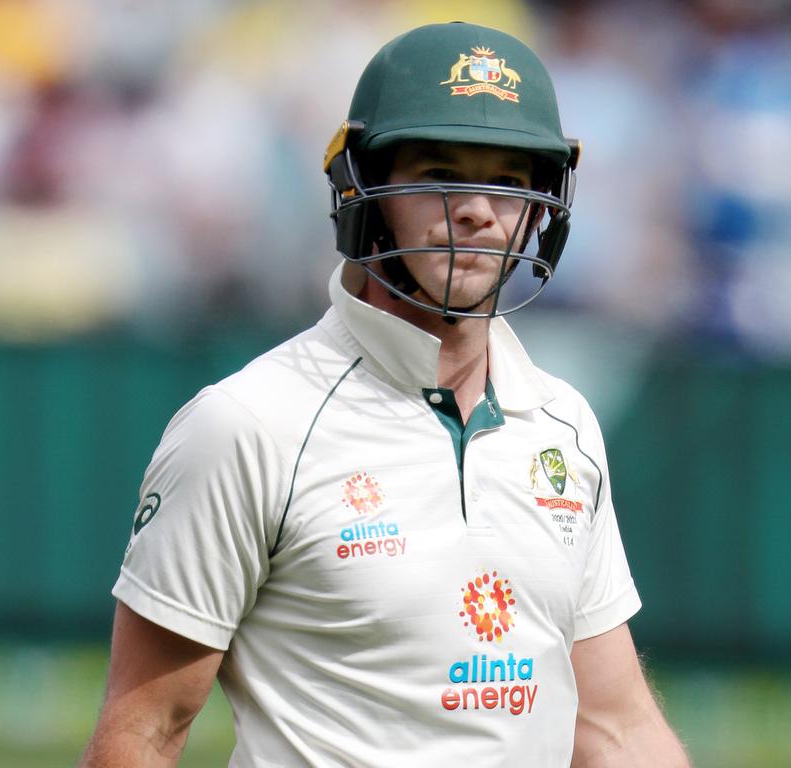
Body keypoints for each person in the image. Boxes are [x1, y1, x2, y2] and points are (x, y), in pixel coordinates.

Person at [81, 21, 690, 768]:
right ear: (363, 186)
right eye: (439, 173)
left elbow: (615, 729)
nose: (475, 210)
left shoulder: (562, 425)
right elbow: (144, 733)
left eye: (508, 180)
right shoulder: (249, 425)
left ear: (543, 204)